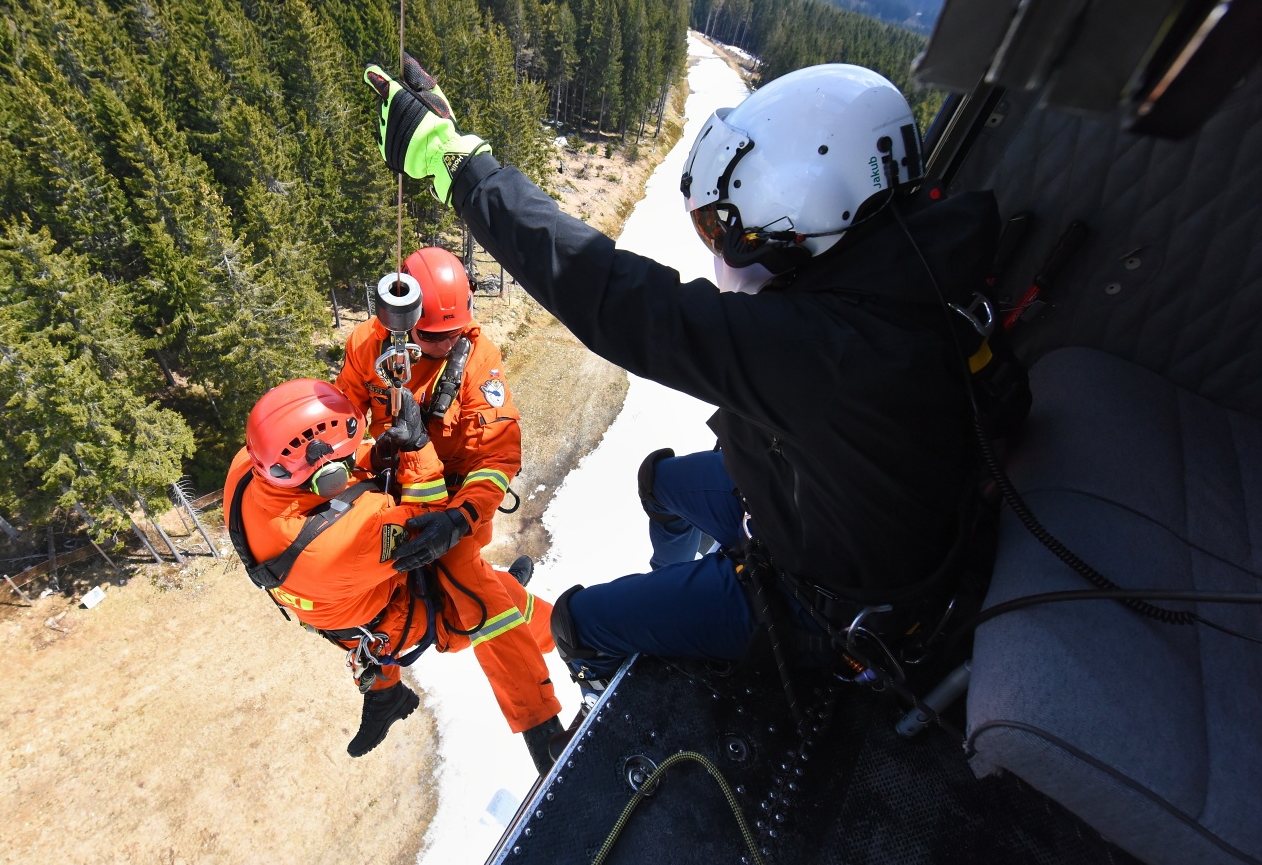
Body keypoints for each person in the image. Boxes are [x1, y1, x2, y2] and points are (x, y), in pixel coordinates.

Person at [361, 56, 998, 690]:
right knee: (662, 484)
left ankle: (674, 677)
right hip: (820, 502)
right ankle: (680, 590)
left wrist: (460, 168)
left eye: (721, 226)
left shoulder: (826, 352)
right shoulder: (900, 268)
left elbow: (618, 300)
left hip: (823, 599)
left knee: (580, 624)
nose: (720, 245)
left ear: (803, 207)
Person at [223, 377, 560, 765]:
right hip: (394, 614)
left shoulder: (245, 469)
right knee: (489, 599)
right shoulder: (344, 540)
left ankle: (386, 694)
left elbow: (336, 477)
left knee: (375, 626)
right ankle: (570, 633)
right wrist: (418, 449)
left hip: (342, 610)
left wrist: (375, 454)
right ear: (324, 473)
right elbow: (429, 524)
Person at [335, 247, 565, 770]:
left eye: (451, 334)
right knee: (359, 601)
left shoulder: (476, 361)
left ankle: (541, 724)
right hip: (390, 488)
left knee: (472, 604)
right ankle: (385, 692)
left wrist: (458, 519)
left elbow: (498, 455)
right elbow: (345, 416)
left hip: (455, 501)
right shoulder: (368, 346)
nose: (443, 344)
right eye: (432, 335)